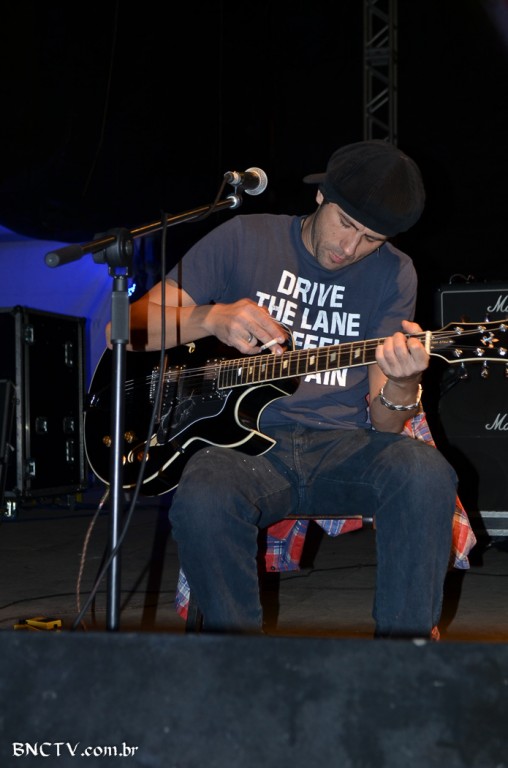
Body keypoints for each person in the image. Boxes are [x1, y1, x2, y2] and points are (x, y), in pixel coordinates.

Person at [122, 140, 462, 639]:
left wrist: (404, 381)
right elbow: (126, 327)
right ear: (322, 195)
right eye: (345, 223)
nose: (350, 248)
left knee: (425, 473)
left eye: (371, 238)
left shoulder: (395, 272)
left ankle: (402, 660)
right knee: (204, 496)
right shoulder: (244, 238)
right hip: (243, 449)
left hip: (342, 447)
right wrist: (211, 317)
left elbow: (387, 424)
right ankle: (242, 665)